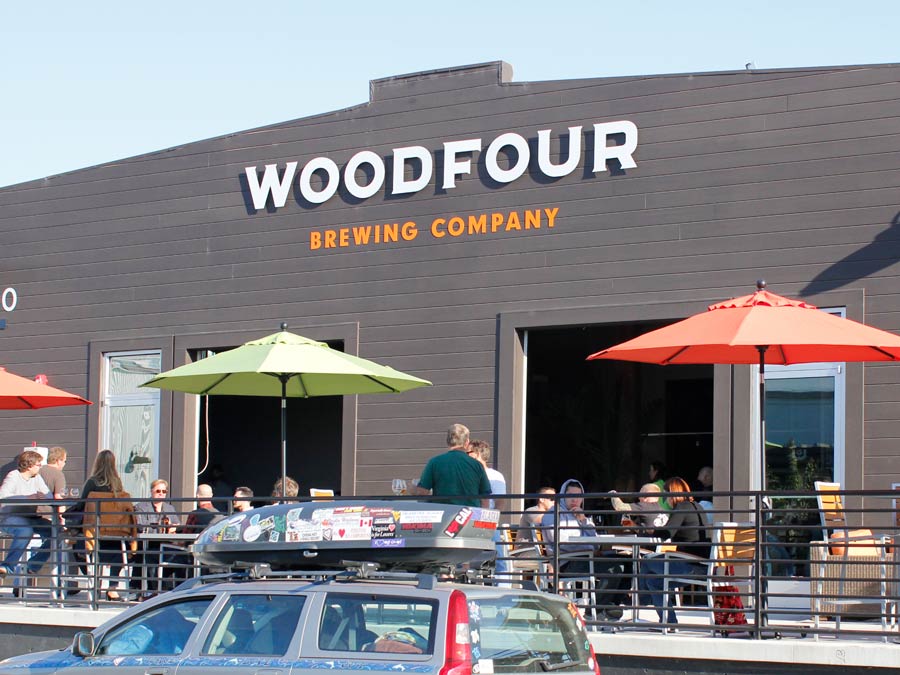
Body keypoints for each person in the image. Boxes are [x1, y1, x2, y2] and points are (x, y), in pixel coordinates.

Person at [541, 478, 628, 620]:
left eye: (579, 496)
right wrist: (589, 547)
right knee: (614, 568)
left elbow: (594, 539)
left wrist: (583, 520)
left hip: (585, 557)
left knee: (628, 562)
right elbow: (562, 542)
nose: (575, 500)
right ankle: (593, 611)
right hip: (565, 563)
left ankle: (611, 605)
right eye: (571, 496)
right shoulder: (553, 514)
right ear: (563, 495)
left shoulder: (580, 514)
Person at [638, 476, 711, 625]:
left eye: (666, 495)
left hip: (688, 565)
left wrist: (648, 532)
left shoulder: (682, 507)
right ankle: (668, 622)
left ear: (672, 494)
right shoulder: (698, 507)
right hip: (703, 567)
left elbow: (667, 533)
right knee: (654, 581)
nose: (666, 500)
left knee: (645, 560)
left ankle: (640, 601)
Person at [78, 449, 137, 601]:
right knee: (117, 550)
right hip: (116, 533)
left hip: (94, 532)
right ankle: (112, 588)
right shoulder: (117, 484)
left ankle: (94, 582)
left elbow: (82, 505)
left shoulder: (92, 482)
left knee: (78, 546)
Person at [0, 450, 53, 579]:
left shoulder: (37, 478)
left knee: (57, 532)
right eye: (38, 465)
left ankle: (33, 565)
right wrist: (28, 497)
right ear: (29, 465)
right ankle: (7, 566)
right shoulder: (14, 476)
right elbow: (3, 497)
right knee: (25, 531)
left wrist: (44, 497)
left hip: (31, 517)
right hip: (9, 517)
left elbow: (49, 496)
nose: (41, 467)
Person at [413, 424, 490, 508]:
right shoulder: (477, 465)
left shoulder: (434, 462)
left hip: (443, 515)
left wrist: (412, 489)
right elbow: (485, 499)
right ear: (467, 442)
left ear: (448, 441)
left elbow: (422, 492)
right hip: (470, 516)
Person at [468, 440, 511, 585]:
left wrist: (491, 520)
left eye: (468, 453)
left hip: (487, 521)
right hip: (468, 520)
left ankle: (503, 593)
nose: (466, 455)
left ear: (477, 454)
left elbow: (500, 502)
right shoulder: (467, 474)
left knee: (499, 561)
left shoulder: (495, 476)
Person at [130, 479, 181, 597]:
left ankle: (164, 590)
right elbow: (141, 526)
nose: (161, 494)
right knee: (149, 554)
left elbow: (176, 525)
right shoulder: (141, 507)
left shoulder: (169, 508)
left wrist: (173, 527)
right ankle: (152, 590)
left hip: (165, 543)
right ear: (151, 491)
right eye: (158, 491)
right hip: (147, 543)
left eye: (164, 491)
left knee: (176, 556)